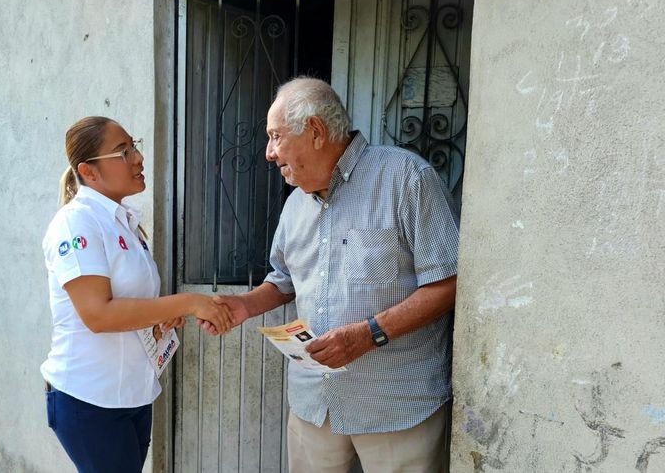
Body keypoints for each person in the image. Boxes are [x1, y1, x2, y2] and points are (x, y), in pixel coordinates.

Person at [201, 78, 460, 472]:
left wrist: (369, 333)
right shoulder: (295, 205)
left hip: (395, 402)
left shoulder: (406, 178)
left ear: (317, 132)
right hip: (314, 403)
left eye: (275, 137)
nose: (269, 153)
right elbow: (284, 280)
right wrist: (243, 305)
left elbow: (447, 282)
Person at [41, 116, 232, 473]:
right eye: (123, 152)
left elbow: (133, 305)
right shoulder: (76, 224)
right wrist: (189, 302)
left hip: (131, 392)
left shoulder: (125, 223)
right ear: (90, 171)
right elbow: (98, 314)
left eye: (135, 146)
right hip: (90, 397)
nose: (139, 158)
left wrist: (160, 317)